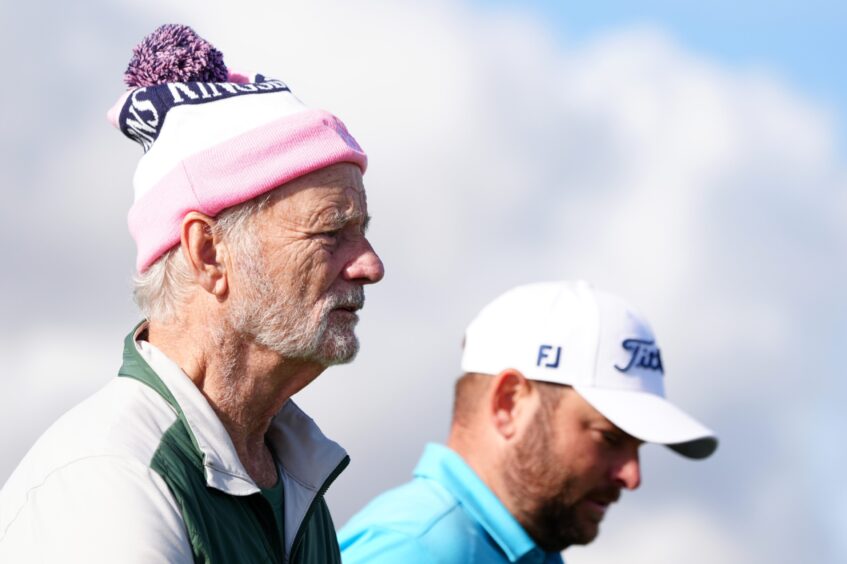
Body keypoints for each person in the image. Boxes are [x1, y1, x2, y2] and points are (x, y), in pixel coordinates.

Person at [0, 24, 383, 563]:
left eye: (364, 230)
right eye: (329, 232)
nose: (370, 265)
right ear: (208, 252)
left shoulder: (293, 481)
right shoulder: (112, 480)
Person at [339, 280, 717, 563]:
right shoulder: (415, 550)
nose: (632, 476)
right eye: (609, 437)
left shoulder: (521, 549)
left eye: (639, 446)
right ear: (510, 403)